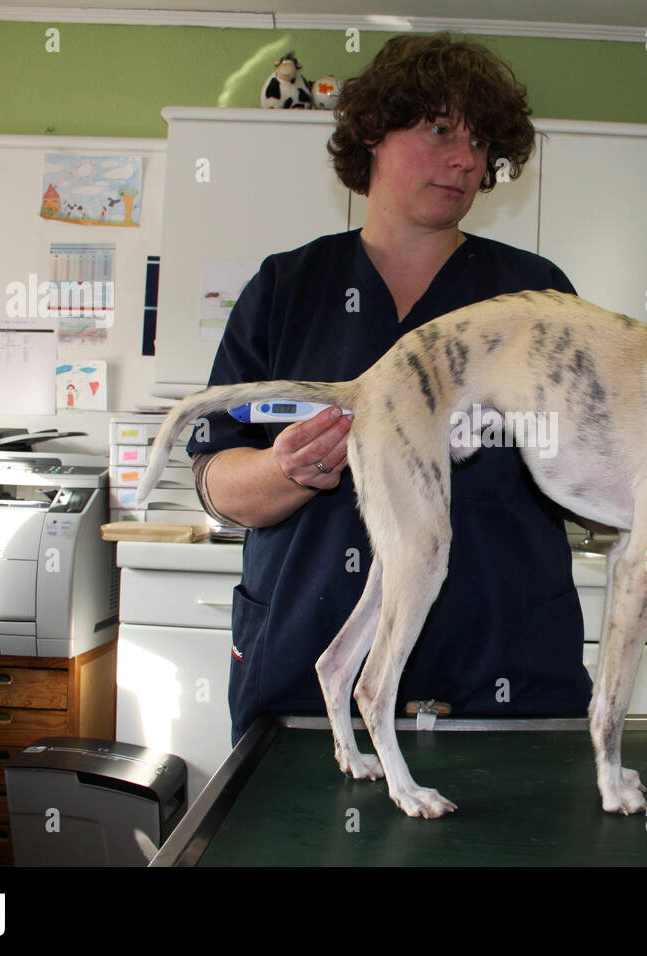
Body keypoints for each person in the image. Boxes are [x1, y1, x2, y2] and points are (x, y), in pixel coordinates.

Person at [189, 34, 593, 741]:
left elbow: (591, 474)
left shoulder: (535, 299)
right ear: (373, 132)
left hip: (503, 677)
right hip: (307, 679)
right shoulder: (286, 290)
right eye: (440, 129)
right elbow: (218, 481)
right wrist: (286, 470)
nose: (466, 159)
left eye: (480, 141)